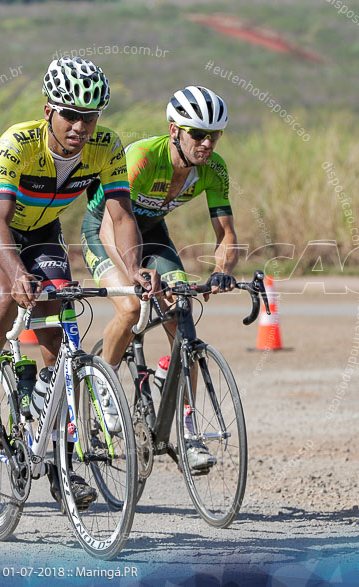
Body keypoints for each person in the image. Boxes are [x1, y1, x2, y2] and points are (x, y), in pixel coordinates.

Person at [0, 56, 156, 507]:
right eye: (70, 114)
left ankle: (60, 464)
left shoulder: (106, 146)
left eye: (89, 117)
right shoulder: (19, 142)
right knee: (7, 297)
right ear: (49, 110)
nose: (80, 127)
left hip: (44, 229)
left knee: (60, 323)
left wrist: (135, 268)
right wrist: (16, 273)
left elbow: (120, 215)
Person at [80, 85, 237, 470]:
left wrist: (222, 272)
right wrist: (132, 274)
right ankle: (104, 382)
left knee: (184, 322)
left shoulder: (213, 169)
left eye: (214, 135)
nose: (206, 143)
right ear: (174, 131)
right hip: (105, 234)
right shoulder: (142, 158)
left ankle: (188, 434)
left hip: (152, 236)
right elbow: (110, 227)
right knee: (132, 308)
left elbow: (227, 235)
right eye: (197, 134)